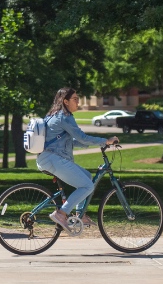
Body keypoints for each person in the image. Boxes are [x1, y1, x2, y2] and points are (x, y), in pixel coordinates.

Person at [36, 87, 119, 233]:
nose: (78, 102)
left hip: (49, 158)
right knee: (87, 186)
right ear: (65, 101)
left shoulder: (55, 115)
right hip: (52, 159)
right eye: (75, 99)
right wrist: (105, 141)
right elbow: (82, 137)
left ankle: (80, 214)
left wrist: (98, 143)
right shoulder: (64, 117)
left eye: (78, 98)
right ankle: (61, 213)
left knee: (87, 177)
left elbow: (72, 141)